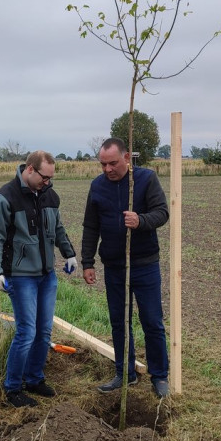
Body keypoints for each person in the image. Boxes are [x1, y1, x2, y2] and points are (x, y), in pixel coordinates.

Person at [0, 150, 77, 408]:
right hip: (21, 276)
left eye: (50, 179)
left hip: (47, 274)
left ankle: (34, 379)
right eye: (44, 178)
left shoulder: (49, 194)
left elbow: (57, 227)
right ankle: (12, 388)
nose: (47, 183)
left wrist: (69, 253)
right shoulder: (4, 197)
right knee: (27, 332)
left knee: (44, 331)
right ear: (29, 170)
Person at [81, 137, 171, 398]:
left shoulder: (146, 179)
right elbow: (90, 227)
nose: (107, 169)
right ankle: (124, 373)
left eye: (112, 163)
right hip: (114, 267)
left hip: (144, 265)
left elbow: (162, 212)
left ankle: (159, 376)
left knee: (152, 322)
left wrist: (140, 220)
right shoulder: (97, 186)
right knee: (120, 322)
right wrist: (88, 262)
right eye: (102, 165)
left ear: (127, 157)